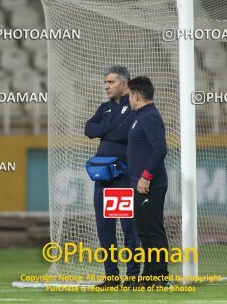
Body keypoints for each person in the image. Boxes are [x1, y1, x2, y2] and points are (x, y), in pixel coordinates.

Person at [84, 65, 140, 288]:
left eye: (110, 82)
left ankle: (133, 276)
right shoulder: (105, 108)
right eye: (105, 82)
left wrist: (104, 129)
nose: (106, 86)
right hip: (103, 176)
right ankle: (112, 277)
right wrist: (111, 127)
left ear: (124, 84)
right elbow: (88, 129)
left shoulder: (135, 106)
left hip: (123, 174)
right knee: (104, 228)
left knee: (129, 228)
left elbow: (124, 133)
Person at [127, 76, 170, 288]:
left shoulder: (149, 117)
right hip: (141, 184)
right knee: (144, 231)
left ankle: (159, 276)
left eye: (129, 96)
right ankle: (149, 275)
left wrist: (146, 177)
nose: (128, 100)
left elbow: (161, 148)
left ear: (135, 95)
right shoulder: (141, 116)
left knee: (152, 230)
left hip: (150, 184)